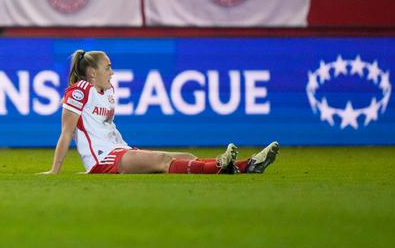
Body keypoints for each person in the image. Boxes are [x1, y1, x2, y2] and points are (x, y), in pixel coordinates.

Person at [40, 50, 280, 175]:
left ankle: (247, 165)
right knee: (164, 162)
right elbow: (66, 133)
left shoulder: (109, 90)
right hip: (104, 160)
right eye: (108, 67)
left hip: (120, 150)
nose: (112, 72)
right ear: (92, 72)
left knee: (186, 156)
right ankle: (221, 164)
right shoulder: (79, 91)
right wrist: (55, 170)